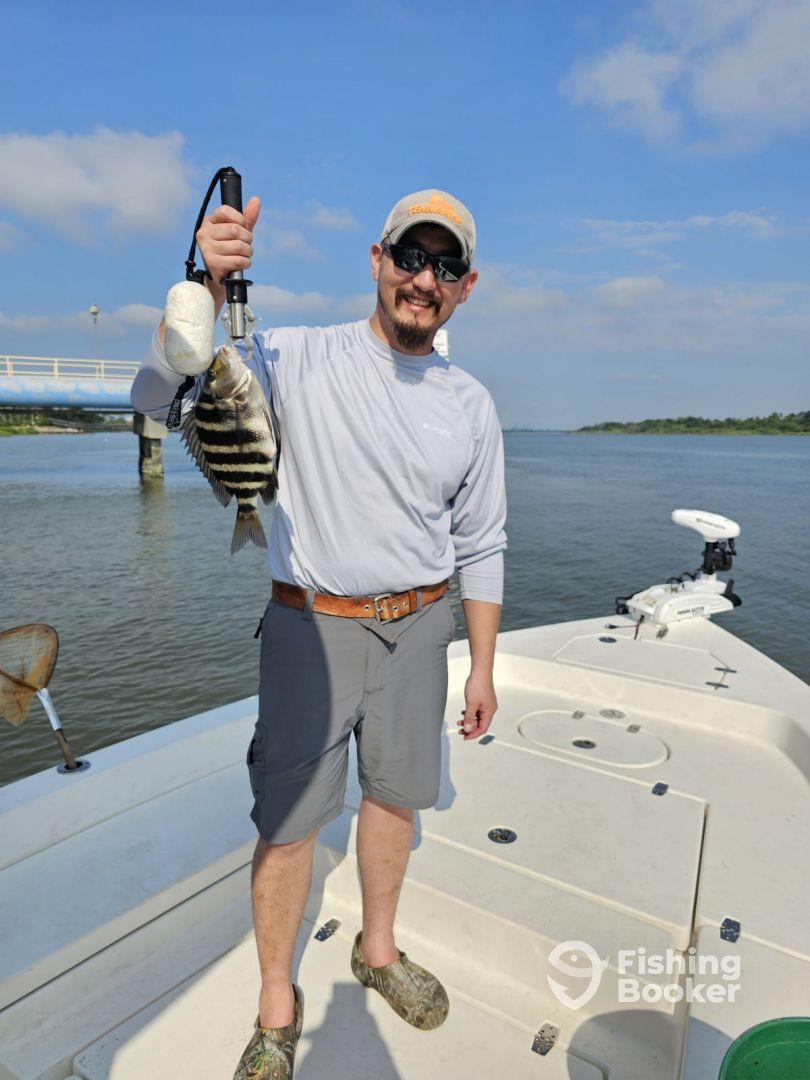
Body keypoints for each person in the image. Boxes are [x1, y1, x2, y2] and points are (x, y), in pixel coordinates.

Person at [131, 188, 507, 1079]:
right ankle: (275, 1001)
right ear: (375, 261)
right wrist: (201, 288)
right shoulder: (291, 355)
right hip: (312, 625)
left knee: (394, 800)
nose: (424, 279)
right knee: (291, 825)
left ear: (466, 286)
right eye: (409, 258)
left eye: (444, 266)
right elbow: (156, 398)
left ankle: (376, 952)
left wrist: (482, 664)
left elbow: (483, 541)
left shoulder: (471, 404)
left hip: (422, 626)